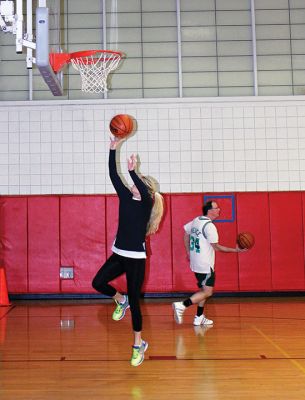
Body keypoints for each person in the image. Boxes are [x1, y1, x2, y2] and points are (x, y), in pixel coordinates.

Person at [92, 136, 164, 367]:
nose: (133, 183)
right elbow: (114, 175)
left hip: (136, 259)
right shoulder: (125, 196)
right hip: (119, 253)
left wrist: (134, 172)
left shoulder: (146, 202)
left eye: (139, 182)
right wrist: (113, 149)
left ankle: (137, 345)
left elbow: (141, 188)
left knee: (136, 301)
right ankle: (119, 300)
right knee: (98, 282)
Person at [172, 200, 247, 326]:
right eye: (217, 208)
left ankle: (199, 317)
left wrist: (188, 252)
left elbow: (186, 234)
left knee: (203, 289)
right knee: (208, 292)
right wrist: (236, 250)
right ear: (210, 211)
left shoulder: (197, 220)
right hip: (205, 264)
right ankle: (182, 305)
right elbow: (217, 247)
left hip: (196, 262)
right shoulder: (210, 227)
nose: (219, 210)